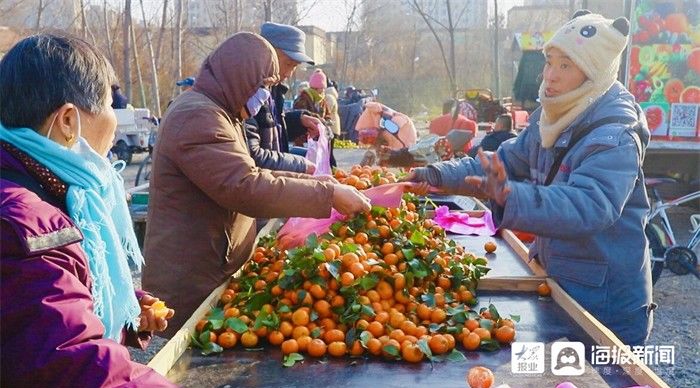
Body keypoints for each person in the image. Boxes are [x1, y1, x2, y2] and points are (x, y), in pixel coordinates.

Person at [408, 11, 653, 346]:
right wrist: (437, 174)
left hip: (604, 305)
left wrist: (510, 196)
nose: (549, 75)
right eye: (549, 62)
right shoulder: (553, 115)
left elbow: (590, 205)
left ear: (594, 71)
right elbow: (502, 162)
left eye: (566, 65)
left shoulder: (614, 136)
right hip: (561, 283)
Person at [142, 32, 371, 336]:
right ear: (240, 77)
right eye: (263, 86)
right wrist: (327, 193)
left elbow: (250, 169)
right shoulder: (198, 116)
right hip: (192, 280)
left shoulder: (222, 112)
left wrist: (316, 181)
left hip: (213, 265)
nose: (265, 95)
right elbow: (245, 186)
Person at [0, 33, 176, 388]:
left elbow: (52, 297)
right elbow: (75, 363)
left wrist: (126, 305)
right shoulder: (24, 226)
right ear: (67, 121)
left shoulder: (46, 184)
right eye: (110, 104)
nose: (115, 120)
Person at [260, 22, 325, 155]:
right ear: (267, 55)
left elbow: (272, 129)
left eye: (295, 66)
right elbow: (255, 154)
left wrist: (299, 121)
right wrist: (302, 165)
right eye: (288, 64)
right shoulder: (249, 93)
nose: (289, 74)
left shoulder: (275, 90)